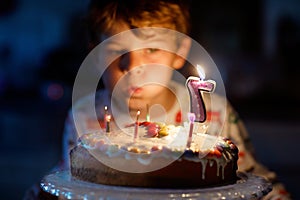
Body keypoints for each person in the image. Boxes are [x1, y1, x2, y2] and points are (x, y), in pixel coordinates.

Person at [26, 0, 291, 199]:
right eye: (116, 50)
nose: (134, 66)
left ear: (179, 52)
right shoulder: (83, 117)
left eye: (152, 49)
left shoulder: (214, 113)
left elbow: (255, 182)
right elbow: (68, 183)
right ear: (96, 54)